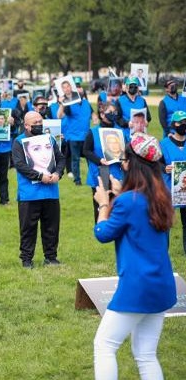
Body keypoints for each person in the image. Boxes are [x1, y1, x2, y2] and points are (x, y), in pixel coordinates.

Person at [93, 133, 176, 380]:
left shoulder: (128, 201)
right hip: (162, 284)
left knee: (104, 345)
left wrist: (103, 204)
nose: (123, 163)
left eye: (126, 159)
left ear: (134, 163)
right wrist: (120, 196)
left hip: (137, 286)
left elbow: (103, 233)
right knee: (146, 354)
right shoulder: (162, 194)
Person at [12, 111, 65, 268]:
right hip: (29, 194)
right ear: (26, 125)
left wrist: (58, 173)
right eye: (35, 122)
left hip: (51, 192)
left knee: (52, 227)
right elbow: (20, 165)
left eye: (41, 122)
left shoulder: (49, 138)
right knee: (28, 228)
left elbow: (60, 158)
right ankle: (27, 259)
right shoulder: (18, 142)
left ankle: (51, 256)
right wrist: (39, 176)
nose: (39, 125)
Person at [83, 103, 125, 222]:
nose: (113, 114)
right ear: (102, 114)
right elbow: (86, 151)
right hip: (100, 171)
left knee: (116, 202)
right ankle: (101, 227)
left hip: (117, 171)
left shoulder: (119, 131)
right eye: (110, 112)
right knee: (101, 203)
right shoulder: (93, 131)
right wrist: (99, 160)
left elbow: (125, 150)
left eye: (114, 112)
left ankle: (116, 226)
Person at [58, 80, 93, 185]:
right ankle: (77, 181)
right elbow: (59, 115)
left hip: (87, 136)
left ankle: (93, 178)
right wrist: (62, 103)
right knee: (75, 159)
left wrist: (95, 119)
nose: (78, 89)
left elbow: (94, 116)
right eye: (64, 87)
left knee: (90, 159)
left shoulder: (87, 103)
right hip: (74, 137)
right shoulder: (68, 104)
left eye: (79, 87)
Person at [161, 110, 186, 254]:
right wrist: (165, 168)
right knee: (166, 223)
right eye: (181, 122)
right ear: (173, 124)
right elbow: (156, 164)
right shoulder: (163, 144)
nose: (184, 125)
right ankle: (163, 251)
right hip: (169, 190)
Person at [116, 77, 151, 141]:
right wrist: (127, 123)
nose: (133, 88)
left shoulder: (142, 100)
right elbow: (117, 118)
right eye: (131, 86)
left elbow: (148, 116)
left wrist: (146, 121)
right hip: (125, 135)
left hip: (141, 135)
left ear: (138, 88)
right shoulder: (119, 101)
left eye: (135, 86)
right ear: (126, 87)